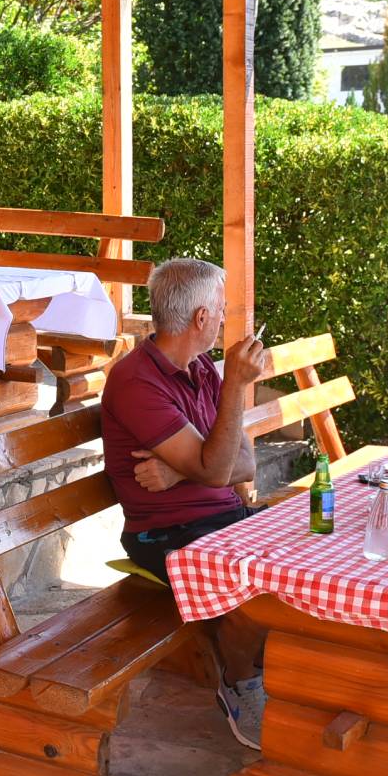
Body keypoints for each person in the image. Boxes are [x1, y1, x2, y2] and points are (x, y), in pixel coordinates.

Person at [100, 257, 272, 749]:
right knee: (252, 588)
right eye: (221, 309)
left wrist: (182, 468)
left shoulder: (199, 369)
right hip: (166, 534)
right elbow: (218, 469)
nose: (223, 318)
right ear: (200, 318)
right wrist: (235, 386)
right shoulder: (136, 381)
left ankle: (277, 668)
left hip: (220, 517)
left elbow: (244, 464)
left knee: (309, 545)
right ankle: (239, 683)